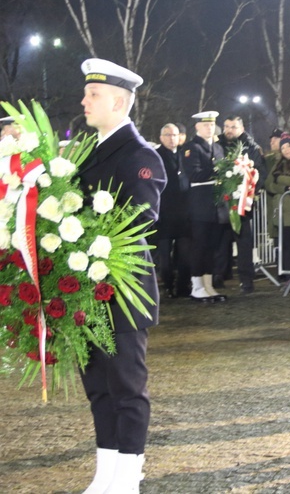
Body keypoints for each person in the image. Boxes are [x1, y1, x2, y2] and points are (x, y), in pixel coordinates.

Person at [77, 58, 167, 493]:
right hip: (86, 290)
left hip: (123, 290)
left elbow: (143, 220)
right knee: (98, 387)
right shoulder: (88, 152)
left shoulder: (140, 154)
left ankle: (128, 477)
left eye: (92, 95)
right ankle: (106, 472)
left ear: (118, 101)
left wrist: (84, 232)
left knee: (127, 388)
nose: (84, 101)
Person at [217, 115, 266, 294]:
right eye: (226, 126)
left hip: (242, 203)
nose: (229, 130)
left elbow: (260, 172)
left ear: (241, 128)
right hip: (221, 202)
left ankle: (246, 280)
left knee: (244, 243)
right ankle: (218, 277)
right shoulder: (217, 144)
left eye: (233, 126)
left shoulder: (251, 147)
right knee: (220, 242)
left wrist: (249, 193)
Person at [181, 111, 227, 302]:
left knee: (211, 247)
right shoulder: (191, 147)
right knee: (199, 247)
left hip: (215, 206)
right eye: (205, 125)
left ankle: (208, 285)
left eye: (212, 125)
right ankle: (197, 286)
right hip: (200, 204)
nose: (209, 128)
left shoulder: (217, 147)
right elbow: (194, 175)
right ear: (197, 127)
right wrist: (218, 170)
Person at [155, 123, 191, 298]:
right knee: (165, 256)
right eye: (168, 135)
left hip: (183, 213)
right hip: (164, 213)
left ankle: (183, 286)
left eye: (175, 135)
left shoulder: (185, 155)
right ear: (161, 138)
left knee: (185, 254)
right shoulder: (156, 156)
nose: (172, 138)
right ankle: (168, 285)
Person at [265, 134, 290, 281]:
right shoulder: (278, 164)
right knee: (287, 247)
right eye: (282, 147)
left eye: (288, 146)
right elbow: (269, 184)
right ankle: (289, 276)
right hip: (283, 215)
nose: (286, 150)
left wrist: (280, 179)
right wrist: (286, 187)